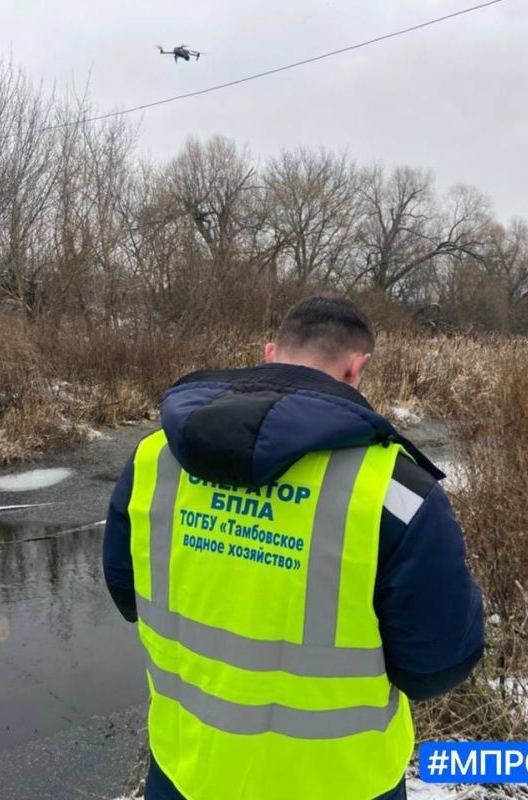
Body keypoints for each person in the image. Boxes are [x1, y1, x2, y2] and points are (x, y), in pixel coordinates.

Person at [103, 295, 484, 800]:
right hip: (342, 784)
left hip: (187, 771)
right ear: (357, 367)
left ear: (269, 352)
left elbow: (127, 595)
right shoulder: (396, 493)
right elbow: (437, 666)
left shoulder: (155, 459)